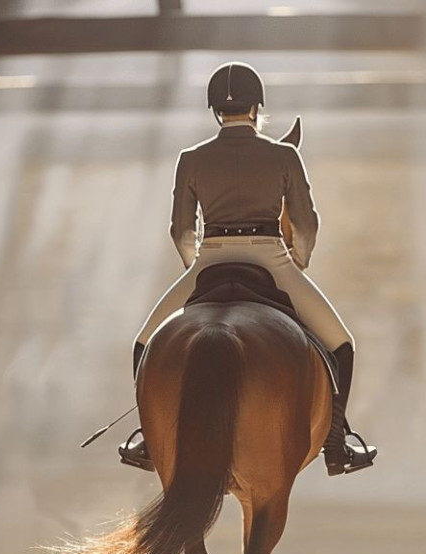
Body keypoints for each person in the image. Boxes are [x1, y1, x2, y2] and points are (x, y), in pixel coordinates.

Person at [119, 61, 376, 476]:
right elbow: (306, 225)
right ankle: (336, 445)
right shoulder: (285, 155)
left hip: (210, 258)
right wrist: (299, 260)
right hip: (272, 259)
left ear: (215, 110)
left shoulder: (191, 158)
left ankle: (149, 439)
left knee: (144, 344)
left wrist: (196, 268)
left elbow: (181, 230)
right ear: (257, 107)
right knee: (342, 345)